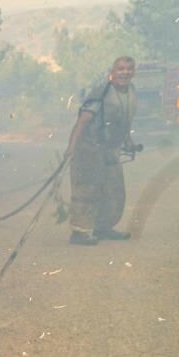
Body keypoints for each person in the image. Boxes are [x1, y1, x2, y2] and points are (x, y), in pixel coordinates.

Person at [65, 56, 138, 246]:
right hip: (89, 147)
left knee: (113, 190)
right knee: (87, 189)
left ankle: (102, 228)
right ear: (112, 72)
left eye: (129, 69)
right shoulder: (102, 92)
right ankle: (80, 232)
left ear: (134, 72)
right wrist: (71, 148)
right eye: (120, 69)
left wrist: (128, 141)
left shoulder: (131, 92)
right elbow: (83, 120)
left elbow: (124, 120)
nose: (125, 72)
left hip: (110, 149)